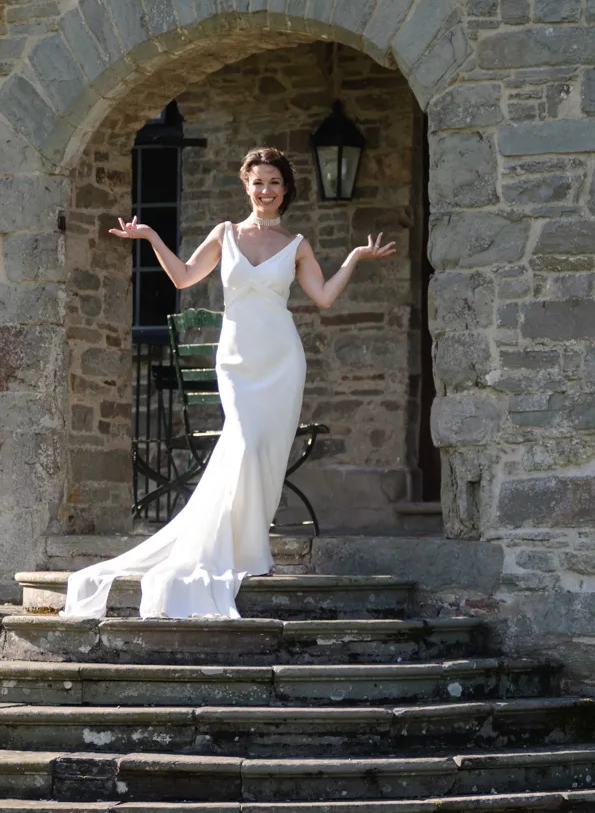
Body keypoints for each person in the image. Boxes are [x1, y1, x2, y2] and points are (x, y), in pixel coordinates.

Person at [61, 146, 395, 621]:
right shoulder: (226, 233)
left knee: (262, 451)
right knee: (243, 440)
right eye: (258, 181)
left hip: (282, 358)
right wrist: (151, 235)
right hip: (237, 358)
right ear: (246, 185)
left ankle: (251, 550)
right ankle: (232, 548)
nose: (266, 190)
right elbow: (182, 278)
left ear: (285, 189)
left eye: (274, 182)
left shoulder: (296, 242)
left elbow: (321, 297)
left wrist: (356, 257)